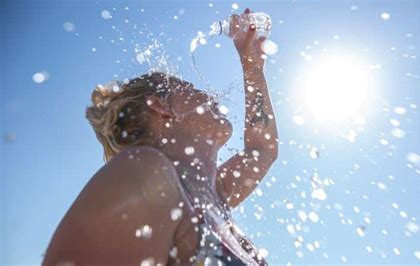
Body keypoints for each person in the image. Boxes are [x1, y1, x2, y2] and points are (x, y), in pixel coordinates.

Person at [42, 7, 278, 266]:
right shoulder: (147, 176)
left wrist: (252, 67)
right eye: (192, 88)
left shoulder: (214, 194)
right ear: (161, 106)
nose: (210, 96)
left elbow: (262, 149)